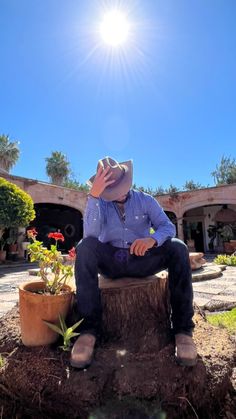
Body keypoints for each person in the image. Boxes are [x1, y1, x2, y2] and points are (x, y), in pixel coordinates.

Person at [70, 157, 197, 369]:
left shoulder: (146, 200)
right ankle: (88, 332)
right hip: (111, 262)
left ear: (127, 181)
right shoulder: (98, 202)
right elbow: (91, 235)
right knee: (85, 247)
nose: (116, 193)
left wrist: (152, 239)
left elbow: (167, 227)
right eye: (110, 189)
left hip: (142, 259)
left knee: (178, 248)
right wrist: (93, 195)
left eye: (119, 187)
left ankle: (183, 331)